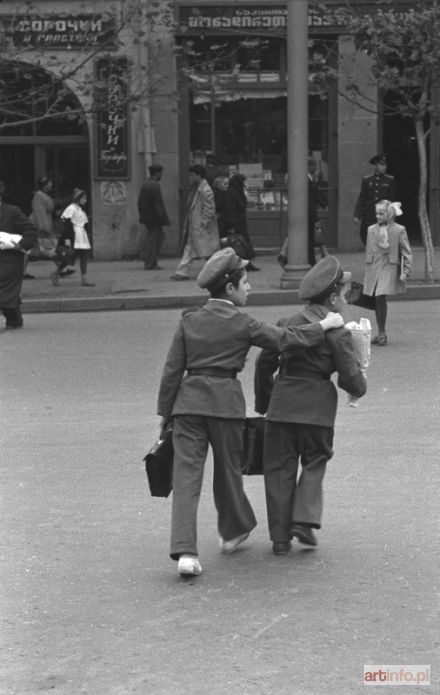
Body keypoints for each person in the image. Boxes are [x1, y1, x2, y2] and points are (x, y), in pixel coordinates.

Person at [157, 247, 344, 578]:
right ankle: (232, 530)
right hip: (225, 406)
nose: (250, 288)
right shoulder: (243, 323)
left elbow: (172, 370)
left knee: (186, 478)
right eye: (245, 282)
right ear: (229, 288)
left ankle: (186, 551)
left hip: (187, 406)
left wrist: (164, 414)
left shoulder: (189, 319)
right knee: (228, 472)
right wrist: (324, 324)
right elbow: (285, 339)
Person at [254, 255, 367, 555]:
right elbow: (350, 379)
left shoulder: (286, 323)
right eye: (343, 295)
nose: (345, 300)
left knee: (278, 469)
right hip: (317, 410)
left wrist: (264, 400)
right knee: (316, 460)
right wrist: (361, 380)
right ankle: (304, 519)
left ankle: (280, 539)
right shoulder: (338, 332)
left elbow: (264, 364)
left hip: (282, 405)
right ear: (332, 298)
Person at [363, 200, 412, 346]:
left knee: (380, 295)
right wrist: (367, 269)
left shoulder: (399, 230)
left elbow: (406, 251)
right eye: (376, 213)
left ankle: (382, 332)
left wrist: (406, 271)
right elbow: (369, 250)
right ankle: (380, 331)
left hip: (389, 266)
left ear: (389, 213)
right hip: (374, 267)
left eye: (381, 213)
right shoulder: (371, 229)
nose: (378, 216)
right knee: (377, 298)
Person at [170, 165, 220, 281]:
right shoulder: (197, 188)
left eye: (192, 175)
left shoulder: (205, 190)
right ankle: (182, 272)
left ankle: (217, 270)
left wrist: (203, 223)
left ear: (198, 175)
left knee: (207, 252)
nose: (190, 177)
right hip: (196, 226)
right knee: (193, 249)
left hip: (200, 226)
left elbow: (209, 209)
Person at [0, 180, 38, 329]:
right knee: (6, 292)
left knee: (5, 286)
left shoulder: (12, 212)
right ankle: (14, 318)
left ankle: (12, 318)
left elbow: (30, 230)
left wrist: (21, 244)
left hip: (11, 257)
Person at [278, 157, 327, 268]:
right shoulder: (305, 180)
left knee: (305, 240)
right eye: (314, 165)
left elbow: (315, 196)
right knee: (307, 241)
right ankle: (306, 261)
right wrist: (316, 219)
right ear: (308, 166)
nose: (316, 168)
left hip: (305, 214)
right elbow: (309, 201)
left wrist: (324, 204)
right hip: (305, 215)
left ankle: (289, 256)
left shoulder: (308, 179)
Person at [50, 189, 95, 287]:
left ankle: (84, 278)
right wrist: (67, 239)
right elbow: (66, 224)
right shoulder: (71, 208)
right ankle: (56, 272)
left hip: (81, 235)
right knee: (70, 257)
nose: (86, 200)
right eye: (84, 198)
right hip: (74, 235)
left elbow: (84, 223)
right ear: (79, 198)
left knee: (83, 256)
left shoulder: (80, 209)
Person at [218, 173, 259, 271]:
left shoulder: (235, 191)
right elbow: (231, 208)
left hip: (238, 221)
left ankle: (244, 262)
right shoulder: (233, 192)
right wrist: (231, 225)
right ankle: (242, 263)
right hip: (235, 222)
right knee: (238, 243)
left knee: (241, 243)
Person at [354, 153, 396, 246]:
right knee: (366, 236)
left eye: (385, 165)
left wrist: (392, 215)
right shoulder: (367, 180)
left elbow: (392, 199)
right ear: (376, 165)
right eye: (381, 164)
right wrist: (357, 215)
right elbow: (362, 198)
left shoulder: (390, 180)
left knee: (382, 239)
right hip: (370, 214)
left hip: (383, 215)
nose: (384, 167)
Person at [137, 164, 170, 270]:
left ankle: (150, 260)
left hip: (148, 216)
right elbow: (158, 204)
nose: (161, 175)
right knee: (154, 239)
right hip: (154, 217)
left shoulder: (145, 184)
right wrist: (163, 218)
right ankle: (149, 261)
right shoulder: (155, 185)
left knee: (156, 238)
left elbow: (139, 202)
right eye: (160, 173)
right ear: (157, 173)